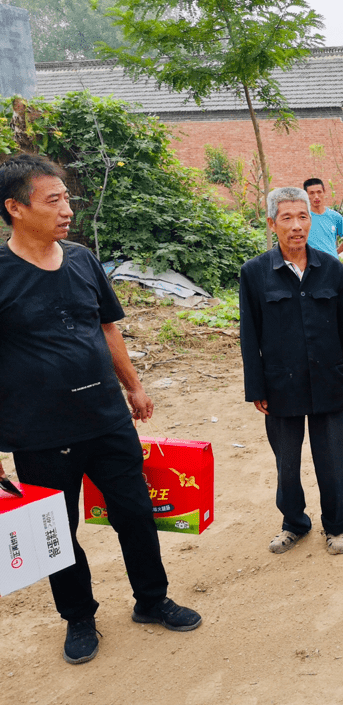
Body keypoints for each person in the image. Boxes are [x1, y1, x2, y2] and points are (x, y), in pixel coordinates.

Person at [0, 153, 201, 666]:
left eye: (66, 197)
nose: (67, 208)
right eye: (54, 199)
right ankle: (79, 617)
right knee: (56, 530)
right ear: (15, 208)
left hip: (107, 419)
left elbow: (107, 327)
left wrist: (132, 386)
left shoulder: (84, 260)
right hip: (39, 433)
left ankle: (152, 600)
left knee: (135, 512)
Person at [240, 186, 343, 556]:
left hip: (328, 382)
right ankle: (294, 523)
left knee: (333, 462)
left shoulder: (331, 269)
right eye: (287, 218)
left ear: (312, 220)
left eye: (302, 217)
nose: (296, 226)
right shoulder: (255, 273)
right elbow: (249, 334)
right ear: (272, 223)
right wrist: (256, 386)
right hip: (281, 386)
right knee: (287, 465)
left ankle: (335, 526)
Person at [303, 177, 343, 257]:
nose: (316, 196)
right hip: (311, 265)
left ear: (324, 192)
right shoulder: (302, 218)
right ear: (306, 195)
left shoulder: (335, 216)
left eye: (319, 192)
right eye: (312, 193)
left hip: (331, 265)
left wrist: (335, 254)